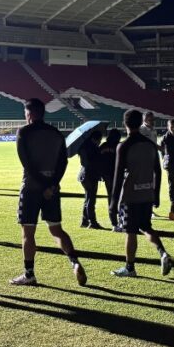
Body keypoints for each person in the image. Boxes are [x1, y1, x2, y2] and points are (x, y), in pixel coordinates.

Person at [10, 98, 88, 287]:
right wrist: (52, 184)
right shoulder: (56, 133)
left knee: (28, 233)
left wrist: (43, 184)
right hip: (52, 190)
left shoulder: (24, 132)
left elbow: (26, 163)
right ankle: (74, 262)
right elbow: (63, 162)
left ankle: (29, 274)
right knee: (56, 229)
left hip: (31, 188)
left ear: (29, 113)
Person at [109, 109, 173, 277]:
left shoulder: (123, 146)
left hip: (131, 195)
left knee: (130, 231)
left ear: (125, 124)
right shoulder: (150, 145)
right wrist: (156, 194)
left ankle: (130, 268)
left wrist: (113, 203)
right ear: (140, 123)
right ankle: (163, 252)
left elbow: (117, 175)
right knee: (145, 226)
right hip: (147, 193)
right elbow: (158, 172)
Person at [78, 129, 104, 229]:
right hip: (90, 175)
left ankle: (84, 221)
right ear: (95, 139)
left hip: (84, 175)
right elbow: (93, 162)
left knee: (88, 198)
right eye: (99, 139)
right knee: (91, 199)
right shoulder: (93, 148)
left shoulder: (84, 147)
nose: (100, 141)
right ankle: (92, 222)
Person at [99, 127, 123, 231]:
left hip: (106, 175)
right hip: (117, 175)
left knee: (111, 198)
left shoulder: (103, 146)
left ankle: (114, 223)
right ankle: (121, 220)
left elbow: (98, 160)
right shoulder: (119, 146)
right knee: (120, 198)